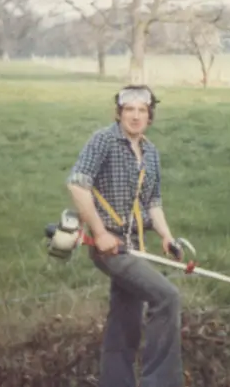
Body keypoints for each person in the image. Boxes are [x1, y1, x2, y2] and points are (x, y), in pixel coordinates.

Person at [66, 84, 184, 387]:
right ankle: (160, 382)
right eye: (128, 110)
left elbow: (153, 201)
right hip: (109, 246)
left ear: (150, 116)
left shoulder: (150, 152)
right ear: (119, 113)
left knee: (125, 318)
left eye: (141, 110)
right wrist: (100, 233)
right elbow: (77, 184)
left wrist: (167, 238)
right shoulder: (103, 140)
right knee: (166, 297)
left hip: (134, 245)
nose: (135, 116)